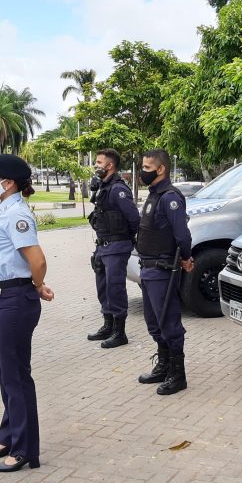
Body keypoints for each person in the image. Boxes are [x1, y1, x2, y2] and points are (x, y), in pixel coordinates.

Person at [0, 154, 55, 472]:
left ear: (7, 183)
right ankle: (9, 436)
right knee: (7, 373)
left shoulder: (17, 214)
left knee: (16, 376)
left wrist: (37, 285)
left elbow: (38, 260)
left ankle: (25, 450)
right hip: (1, 298)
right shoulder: (1, 209)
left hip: (14, 299)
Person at [135, 149, 193, 395]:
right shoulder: (154, 195)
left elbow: (182, 234)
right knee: (153, 322)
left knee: (169, 323)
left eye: (147, 168)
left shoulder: (170, 197)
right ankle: (164, 365)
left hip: (163, 269)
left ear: (161, 169)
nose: (143, 172)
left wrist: (187, 258)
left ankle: (177, 375)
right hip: (148, 270)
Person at [86, 148, 140, 348]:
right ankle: (107, 325)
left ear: (109, 166)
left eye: (99, 162)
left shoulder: (118, 189)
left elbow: (134, 219)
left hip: (117, 246)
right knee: (103, 288)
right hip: (102, 246)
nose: (96, 166)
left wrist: (129, 240)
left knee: (115, 289)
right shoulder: (103, 186)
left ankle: (120, 332)